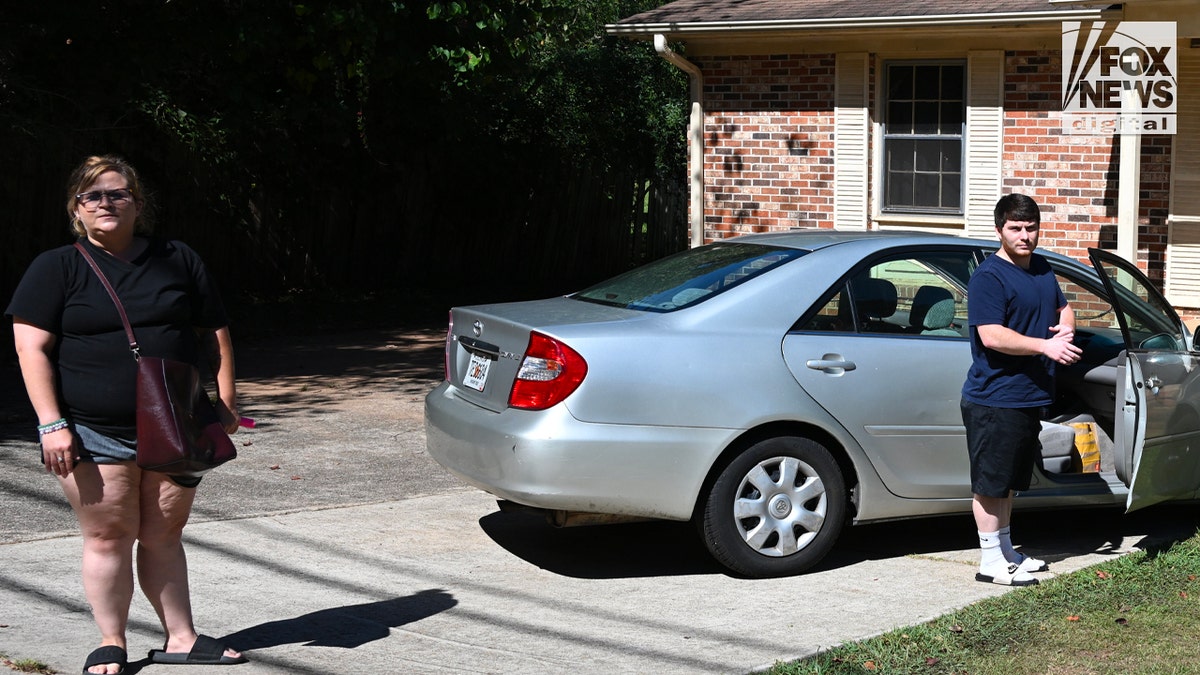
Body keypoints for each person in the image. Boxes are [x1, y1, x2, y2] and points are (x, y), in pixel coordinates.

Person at [6, 156, 248, 674]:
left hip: (177, 422)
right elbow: (31, 350)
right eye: (91, 196)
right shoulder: (56, 267)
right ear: (76, 209)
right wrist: (52, 423)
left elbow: (215, 331)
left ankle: (181, 637)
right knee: (107, 534)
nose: (105, 203)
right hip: (94, 429)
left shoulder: (177, 257)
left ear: (138, 203)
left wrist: (226, 401)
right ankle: (111, 641)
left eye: (117, 193)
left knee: (164, 534)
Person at [960, 193, 1083, 587]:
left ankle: (1008, 550)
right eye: (1015, 228)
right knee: (990, 484)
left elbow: (1063, 306)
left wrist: (1067, 328)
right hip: (995, 397)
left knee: (1010, 482)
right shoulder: (989, 277)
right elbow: (992, 335)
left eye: (1030, 228)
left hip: (1028, 395)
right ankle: (990, 560)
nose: (1024, 236)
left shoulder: (1041, 268)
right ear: (1000, 230)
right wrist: (1045, 345)